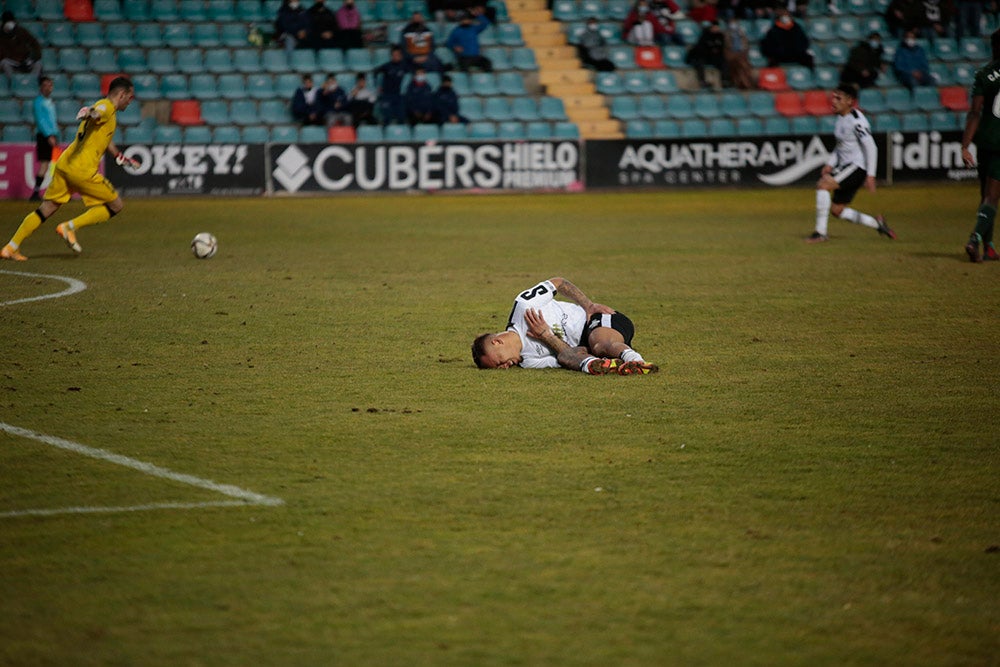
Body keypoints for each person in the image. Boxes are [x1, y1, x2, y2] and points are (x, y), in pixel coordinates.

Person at [2, 77, 138, 262]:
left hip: (65, 164)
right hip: (82, 170)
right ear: (121, 95)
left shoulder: (109, 113)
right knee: (116, 205)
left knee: (46, 209)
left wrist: (120, 157)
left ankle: (11, 247)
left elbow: (104, 137)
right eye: (130, 97)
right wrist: (90, 112)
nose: (131, 101)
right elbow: (98, 112)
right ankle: (70, 226)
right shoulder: (106, 107)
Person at [471, 277, 659, 375]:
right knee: (574, 357)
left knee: (599, 344)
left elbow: (558, 282)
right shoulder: (527, 362)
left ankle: (636, 361)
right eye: (499, 368)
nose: (505, 367)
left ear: (497, 342)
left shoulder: (524, 307)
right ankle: (598, 364)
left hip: (598, 321)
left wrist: (589, 305)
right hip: (585, 346)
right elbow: (567, 356)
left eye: (499, 362)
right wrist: (546, 336)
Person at [807, 82, 896, 244]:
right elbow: (841, 146)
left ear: (850, 101)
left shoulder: (857, 122)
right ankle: (877, 224)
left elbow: (871, 147)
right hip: (846, 167)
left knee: (823, 185)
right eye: (833, 97)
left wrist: (871, 175)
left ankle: (820, 233)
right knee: (837, 210)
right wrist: (830, 163)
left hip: (856, 167)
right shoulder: (841, 118)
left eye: (838, 98)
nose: (833, 101)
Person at [961, 27, 1000, 262]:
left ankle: (990, 247)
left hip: (985, 139)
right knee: (992, 197)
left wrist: (965, 145)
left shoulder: (984, 74)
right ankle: (974, 239)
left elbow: (974, 113)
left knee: (985, 194)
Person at [31, 76, 58, 202]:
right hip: (45, 136)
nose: (49, 88)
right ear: (41, 87)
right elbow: (40, 120)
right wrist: (49, 135)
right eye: (47, 85)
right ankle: (35, 192)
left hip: (53, 135)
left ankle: (56, 192)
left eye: (51, 85)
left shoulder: (50, 101)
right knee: (45, 164)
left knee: (55, 164)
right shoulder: (38, 102)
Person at [374, 46, 411, 125]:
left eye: (397, 55)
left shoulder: (404, 66)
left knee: (401, 117)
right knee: (387, 117)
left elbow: (412, 74)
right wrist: (378, 85)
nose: (395, 57)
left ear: (401, 56)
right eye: (393, 55)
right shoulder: (387, 66)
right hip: (386, 95)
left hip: (399, 95)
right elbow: (375, 72)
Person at [686, 20, 727, 88]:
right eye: (714, 27)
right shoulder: (705, 35)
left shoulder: (720, 36)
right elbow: (700, 48)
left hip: (713, 57)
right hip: (703, 56)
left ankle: (725, 81)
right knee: (699, 62)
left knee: (723, 62)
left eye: (717, 27)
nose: (715, 29)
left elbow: (721, 48)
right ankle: (702, 81)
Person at [0, 11, 42, 77]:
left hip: (25, 60)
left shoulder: (20, 31)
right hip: (10, 61)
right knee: (4, 63)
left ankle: (32, 82)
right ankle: (14, 83)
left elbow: (34, 43)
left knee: (38, 64)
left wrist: (32, 58)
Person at [723, 17, 755, 90]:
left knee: (743, 67)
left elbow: (746, 45)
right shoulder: (726, 33)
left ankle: (744, 84)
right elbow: (727, 45)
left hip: (742, 54)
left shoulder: (741, 33)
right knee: (741, 65)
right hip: (731, 54)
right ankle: (746, 84)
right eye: (732, 23)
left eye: (735, 23)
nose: (733, 25)